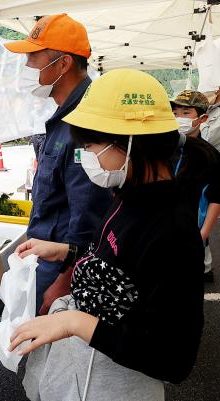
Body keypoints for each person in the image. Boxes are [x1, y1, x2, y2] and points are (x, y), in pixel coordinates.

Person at [12, 69, 204, 401]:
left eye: (91, 145)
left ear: (130, 142)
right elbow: (117, 264)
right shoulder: (128, 191)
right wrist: (66, 252)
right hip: (86, 367)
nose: (86, 156)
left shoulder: (172, 232)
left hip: (117, 386)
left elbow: (173, 360)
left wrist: (77, 323)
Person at [5, 14, 112, 313]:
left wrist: (65, 281)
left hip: (62, 265)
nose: (27, 67)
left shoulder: (86, 123)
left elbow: (89, 213)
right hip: (48, 252)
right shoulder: (63, 115)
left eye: (33, 57)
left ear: (63, 64)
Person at [171, 90, 220, 282]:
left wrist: (203, 235)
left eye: (185, 113)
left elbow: (216, 198)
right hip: (165, 229)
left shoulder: (210, 157)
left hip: (194, 230)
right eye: (175, 113)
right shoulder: (164, 149)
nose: (178, 118)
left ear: (203, 118)